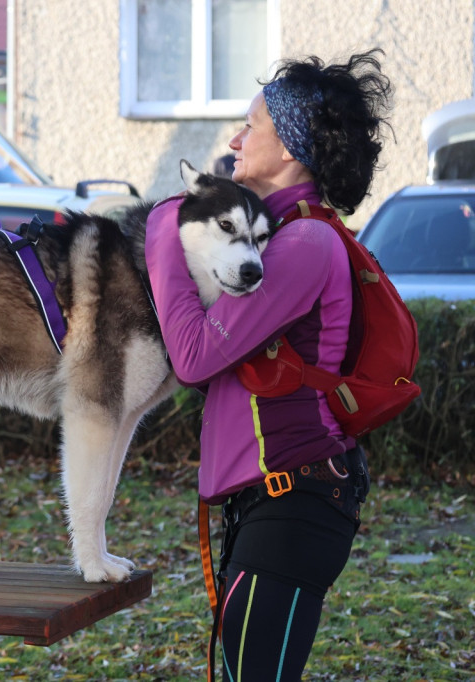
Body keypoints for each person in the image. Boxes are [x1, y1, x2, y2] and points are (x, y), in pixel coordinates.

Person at [145, 50, 393, 681]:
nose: (235, 139)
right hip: (272, 503)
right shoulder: (275, 238)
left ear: (288, 148)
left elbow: (196, 356)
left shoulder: (302, 245)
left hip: (294, 502)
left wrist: (164, 228)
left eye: (250, 125)